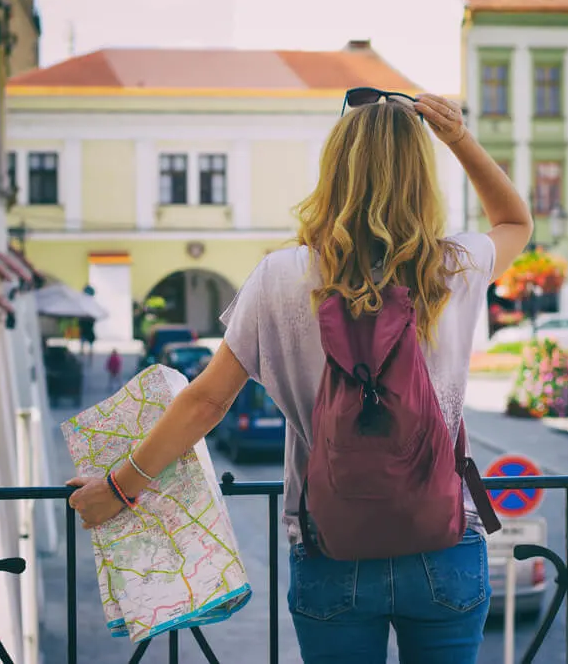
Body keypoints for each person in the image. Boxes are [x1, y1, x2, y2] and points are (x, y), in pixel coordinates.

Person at [66, 91, 533, 663]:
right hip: (444, 545)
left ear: (334, 169)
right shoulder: (454, 267)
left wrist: (119, 488)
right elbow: (515, 220)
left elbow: (207, 401)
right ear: (420, 177)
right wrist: (458, 136)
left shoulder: (282, 275)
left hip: (329, 549)